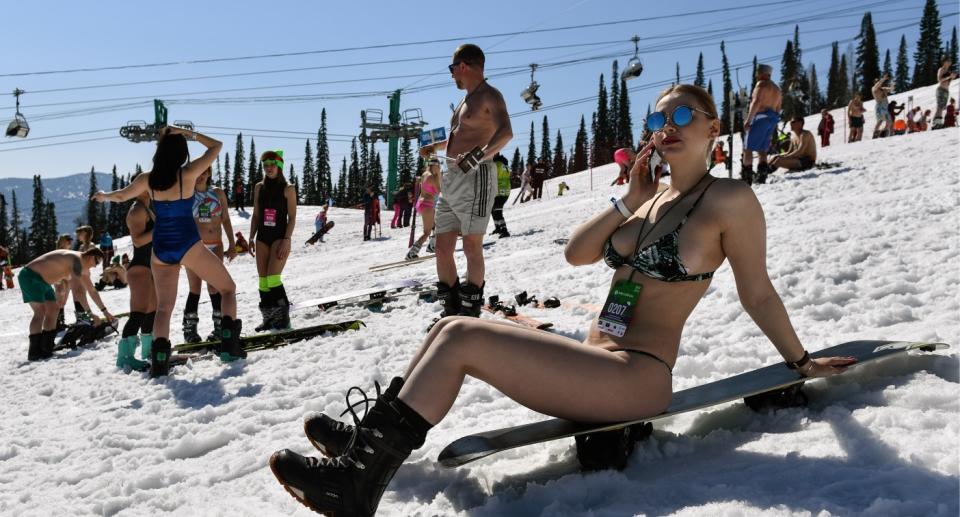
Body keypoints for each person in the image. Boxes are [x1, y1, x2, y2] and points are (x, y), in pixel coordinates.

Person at [269, 83, 857, 516]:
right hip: (596, 361)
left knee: (464, 336)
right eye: (658, 117)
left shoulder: (730, 200)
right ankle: (370, 442)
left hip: (637, 376)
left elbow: (757, 291)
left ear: (711, 126)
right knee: (449, 326)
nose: (667, 125)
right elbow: (577, 253)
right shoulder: (647, 202)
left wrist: (801, 362)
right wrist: (629, 199)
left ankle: (354, 484)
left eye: (683, 114)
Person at [92, 126, 243, 377]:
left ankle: (159, 361)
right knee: (227, 288)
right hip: (188, 244)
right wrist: (188, 133)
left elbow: (120, 196)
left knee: (164, 308)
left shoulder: (147, 179)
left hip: (161, 248)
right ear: (181, 151)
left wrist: (103, 195)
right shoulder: (188, 173)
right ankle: (229, 345)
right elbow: (216, 146)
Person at [417, 43, 513, 318]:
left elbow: (506, 132)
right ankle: (451, 311)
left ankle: (470, 313)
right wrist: (436, 147)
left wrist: (479, 156)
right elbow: (462, 136)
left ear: (464, 66)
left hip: (477, 176)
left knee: (472, 245)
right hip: (452, 179)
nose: (451, 75)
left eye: (452, 69)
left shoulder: (490, 95)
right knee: (442, 247)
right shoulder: (464, 100)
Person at [20, 248, 110, 360]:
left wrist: (105, 312)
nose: (96, 266)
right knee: (40, 311)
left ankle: (46, 347)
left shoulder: (81, 264)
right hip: (30, 276)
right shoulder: (77, 260)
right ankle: (34, 351)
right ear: (91, 257)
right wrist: (90, 314)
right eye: (97, 262)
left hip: (42, 280)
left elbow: (92, 290)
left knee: (54, 309)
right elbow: (78, 291)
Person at [183, 166, 236, 343]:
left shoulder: (218, 193)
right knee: (195, 288)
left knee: (215, 286)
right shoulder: (187, 194)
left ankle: (220, 328)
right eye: (198, 172)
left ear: (209, 174)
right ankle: (190, 330)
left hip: (216, 245)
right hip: (195, 247)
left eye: (205, 172)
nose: (201, 175)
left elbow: (226, 219)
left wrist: (232, 243)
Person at [249, 149, 297, 332]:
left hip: (279, 238)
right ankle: (269, 319)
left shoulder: (288, 189)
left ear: (279, 166)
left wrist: (287, 239)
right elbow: (255, 215)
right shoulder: (259, 187)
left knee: (273, 279)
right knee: (262, 281)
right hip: (262, 238)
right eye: (265, 165)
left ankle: (284, 321)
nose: (268, 168)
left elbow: (292, 217)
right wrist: (251, 237)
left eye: (272, 164)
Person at [115, 182, 157, 372]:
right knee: (138, 314)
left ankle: (147, 350)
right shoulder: (137, 211)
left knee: (152, 311)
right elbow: (138, 240)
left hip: (150, 266)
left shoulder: (147, 207)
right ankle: (125, 357)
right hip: (140, 267)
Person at [741, 63, 782, 185]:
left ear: (761, 73)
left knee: (747, 149)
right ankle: (762, 176)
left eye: (757, 72)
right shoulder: (777, 89)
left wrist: (749, 119)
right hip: (772, 118)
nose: (756, 75)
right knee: (762, 149)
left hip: (759, 117)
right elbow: (778, 107)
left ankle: (747, 178)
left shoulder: (761, 84)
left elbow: (756, 101)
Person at [407, 157, 442, 259]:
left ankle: (431, 246)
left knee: (437, 223)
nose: (439, 168)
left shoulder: (425, 174)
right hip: (427, 204)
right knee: (427, 232)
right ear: (435, 165)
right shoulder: (433, 177)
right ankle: (412, 252)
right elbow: (439, 190)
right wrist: (439, 175)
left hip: (422, 202)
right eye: (438, 166)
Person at [490, 154, 511, 237]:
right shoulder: (504, 164)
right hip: (505, 191)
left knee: (497, 211)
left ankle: (504, 231)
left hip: (499, 191)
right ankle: (498, 228)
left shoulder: (496, 164)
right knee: (493, 210)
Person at [933, 58, 957, 129]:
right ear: (944, 62)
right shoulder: (941, 69)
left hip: (946, 90)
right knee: (939, 107)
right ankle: (937, 124)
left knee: (942, 107)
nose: (949, 62)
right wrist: (949, 77)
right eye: (948, 61)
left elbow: (948, 81)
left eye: (950, 61)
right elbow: (939, 80)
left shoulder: (948, 71)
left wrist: (952, 77)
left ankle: (937, 123)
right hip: (941, 89)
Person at [872, 73, 893, 138]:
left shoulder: (883, 89)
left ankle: (883, 133)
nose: (878, 82)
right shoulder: (874, 89)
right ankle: (875, 134)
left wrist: (893, 84)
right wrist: (883, 78)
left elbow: (891, 89)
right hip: (880, 107)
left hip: (886, 107)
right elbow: (877, 85)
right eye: (877, 81)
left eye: (878, 81)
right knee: (880, 121)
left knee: (889, 121)